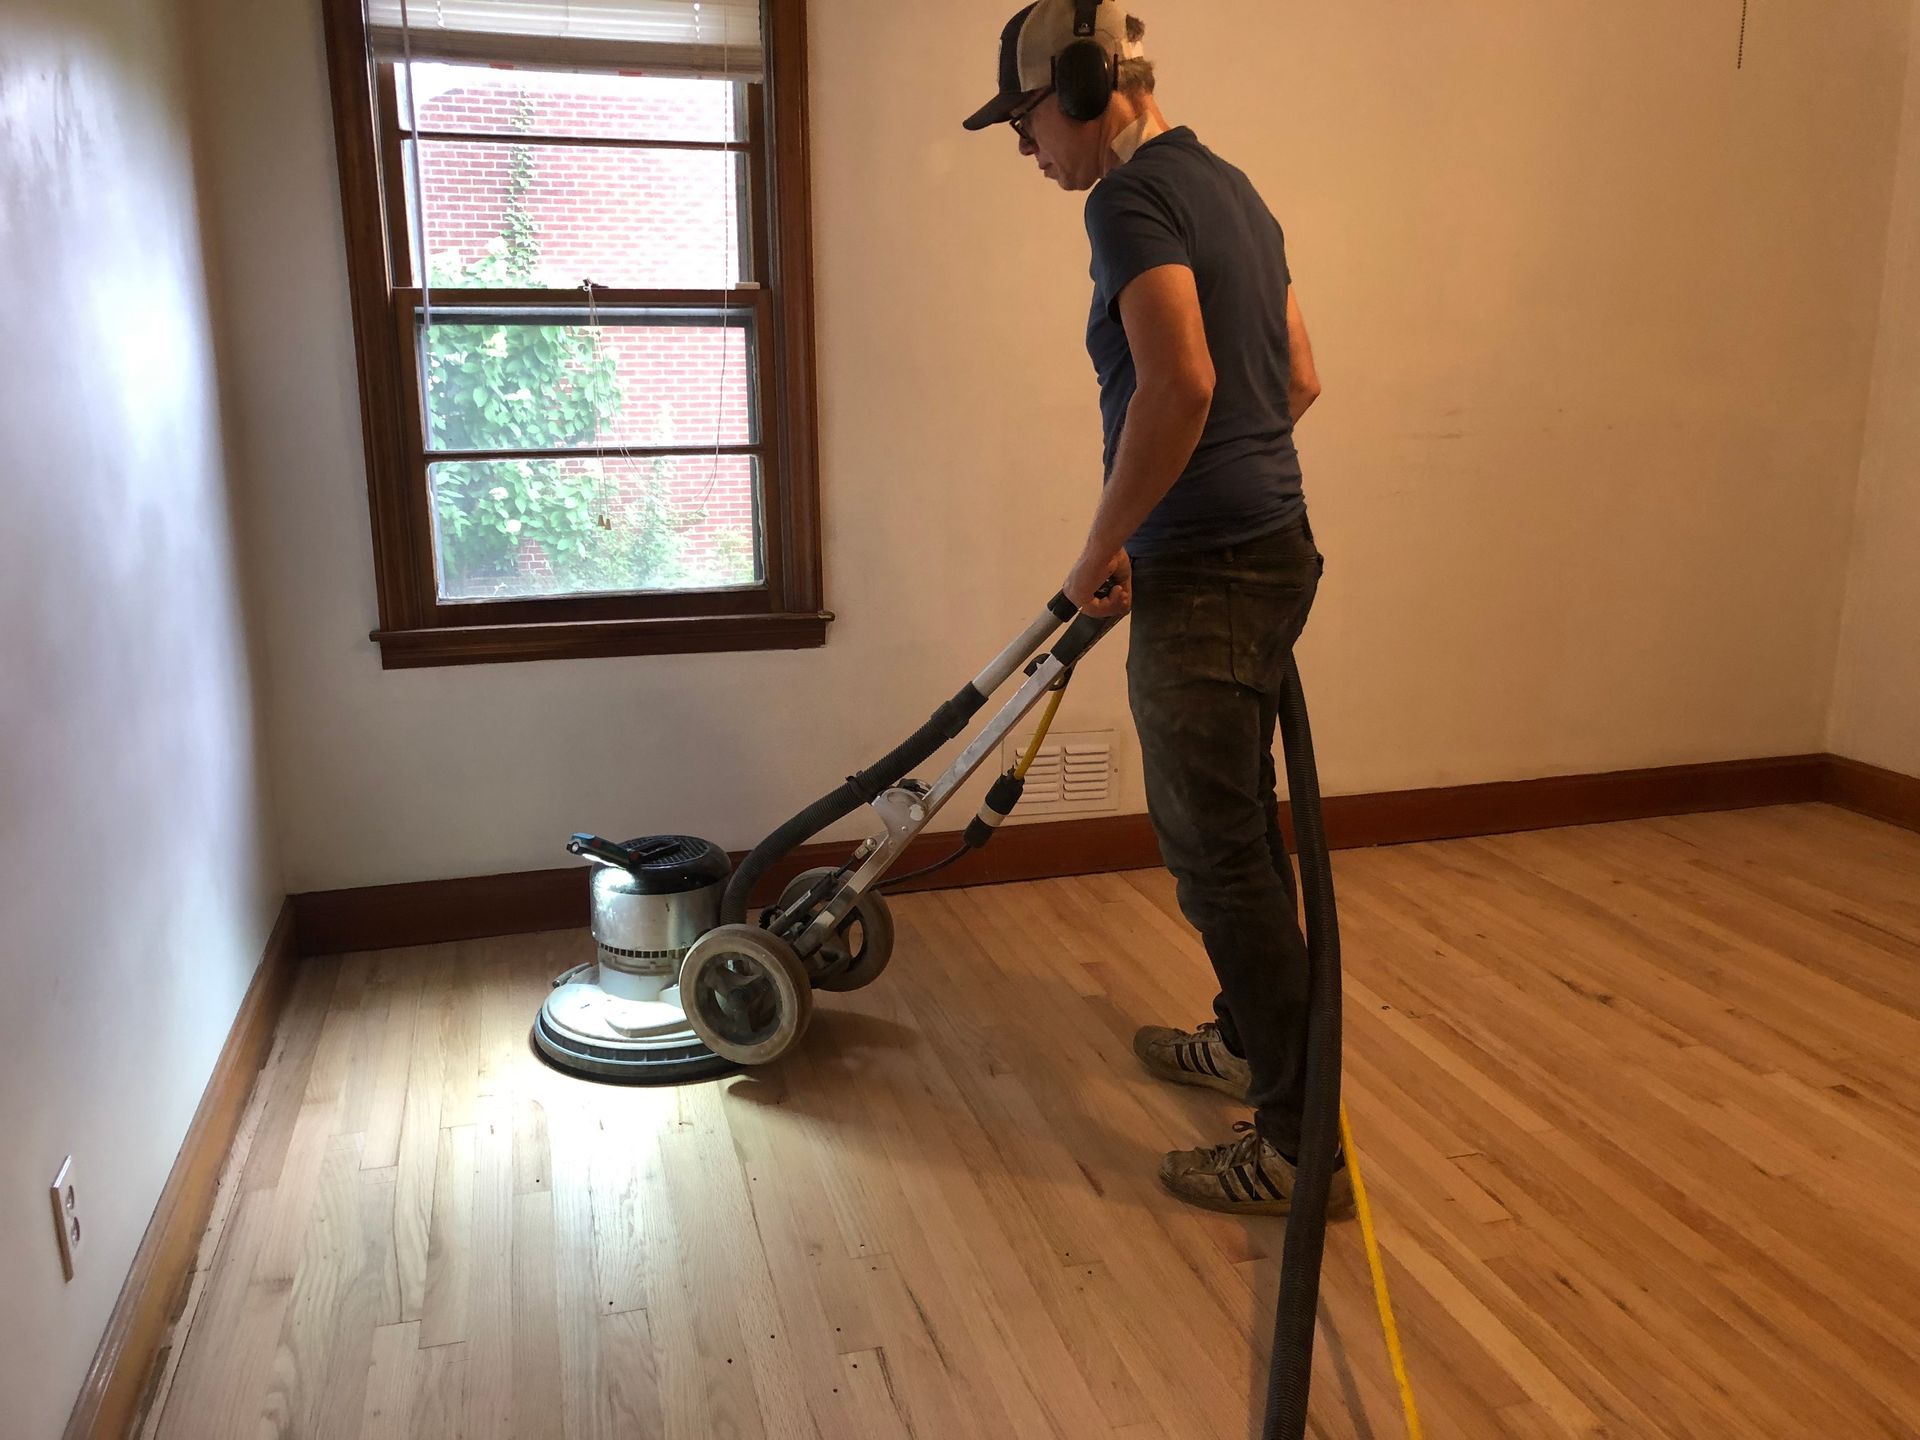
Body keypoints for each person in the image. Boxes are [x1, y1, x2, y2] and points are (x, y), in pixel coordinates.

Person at [963, 0, 1352, 1217]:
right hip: (1269, 548)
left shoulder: (1127, 202)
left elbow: (1180, 384)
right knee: (1240, 833)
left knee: (1214, 854)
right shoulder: (1233, 188)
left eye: (1026, 119)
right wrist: (1189, 501)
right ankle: (1247, 1039)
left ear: (1084, 89)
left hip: (1213, 572)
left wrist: (1108, 542)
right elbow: (1295, 378)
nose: (1026, 146)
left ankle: (1295, 1145)